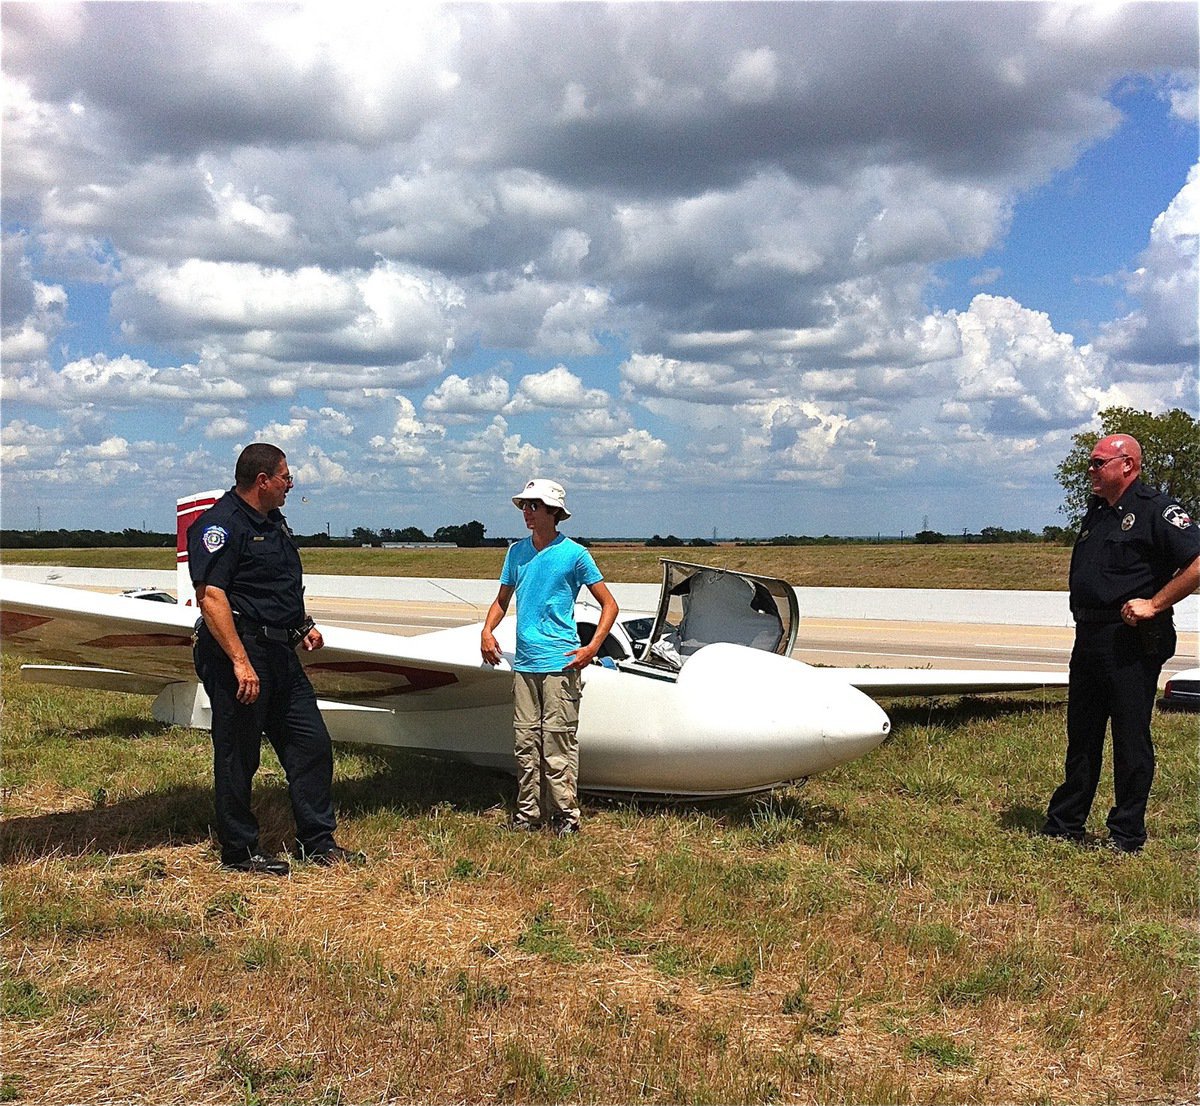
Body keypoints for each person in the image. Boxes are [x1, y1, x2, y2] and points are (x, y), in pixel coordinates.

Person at [189, 443, 361, 875]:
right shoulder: (221, 526)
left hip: (280, 653)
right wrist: (239, 662)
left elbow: (273, 586)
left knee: (312, 745)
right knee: (238, 755)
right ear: (262, 480)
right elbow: (212, 597)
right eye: (286, 476)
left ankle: (317, 842)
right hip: (241, 653)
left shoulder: (273, 522)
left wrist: (302, 625)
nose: (292, 483)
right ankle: (239, 852)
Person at [1041, 433, 1199, 853]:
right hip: (1089, 637)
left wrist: (1155, 603)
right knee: (1083, 734)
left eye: (1097, 463)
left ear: (1126, 465)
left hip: (1130, 640)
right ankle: (1065, 824)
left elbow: (1198, 560)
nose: (1089, 471)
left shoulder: (1155, 510)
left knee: (1130, 737)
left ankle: (1126, 835)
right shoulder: (1098, 512)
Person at [480, 478, 619, 836]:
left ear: (553, 513)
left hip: (560, 662)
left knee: (557, 743)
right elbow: (501, 600)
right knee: (526, 743)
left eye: (534, 506)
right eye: (524, 506)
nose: (527, 512)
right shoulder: (516, 552)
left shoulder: (574, 554)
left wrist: (592, 649)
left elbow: (609, 605)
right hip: (525, 664)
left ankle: (565, 818)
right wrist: (487, 631)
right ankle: (528, 816)